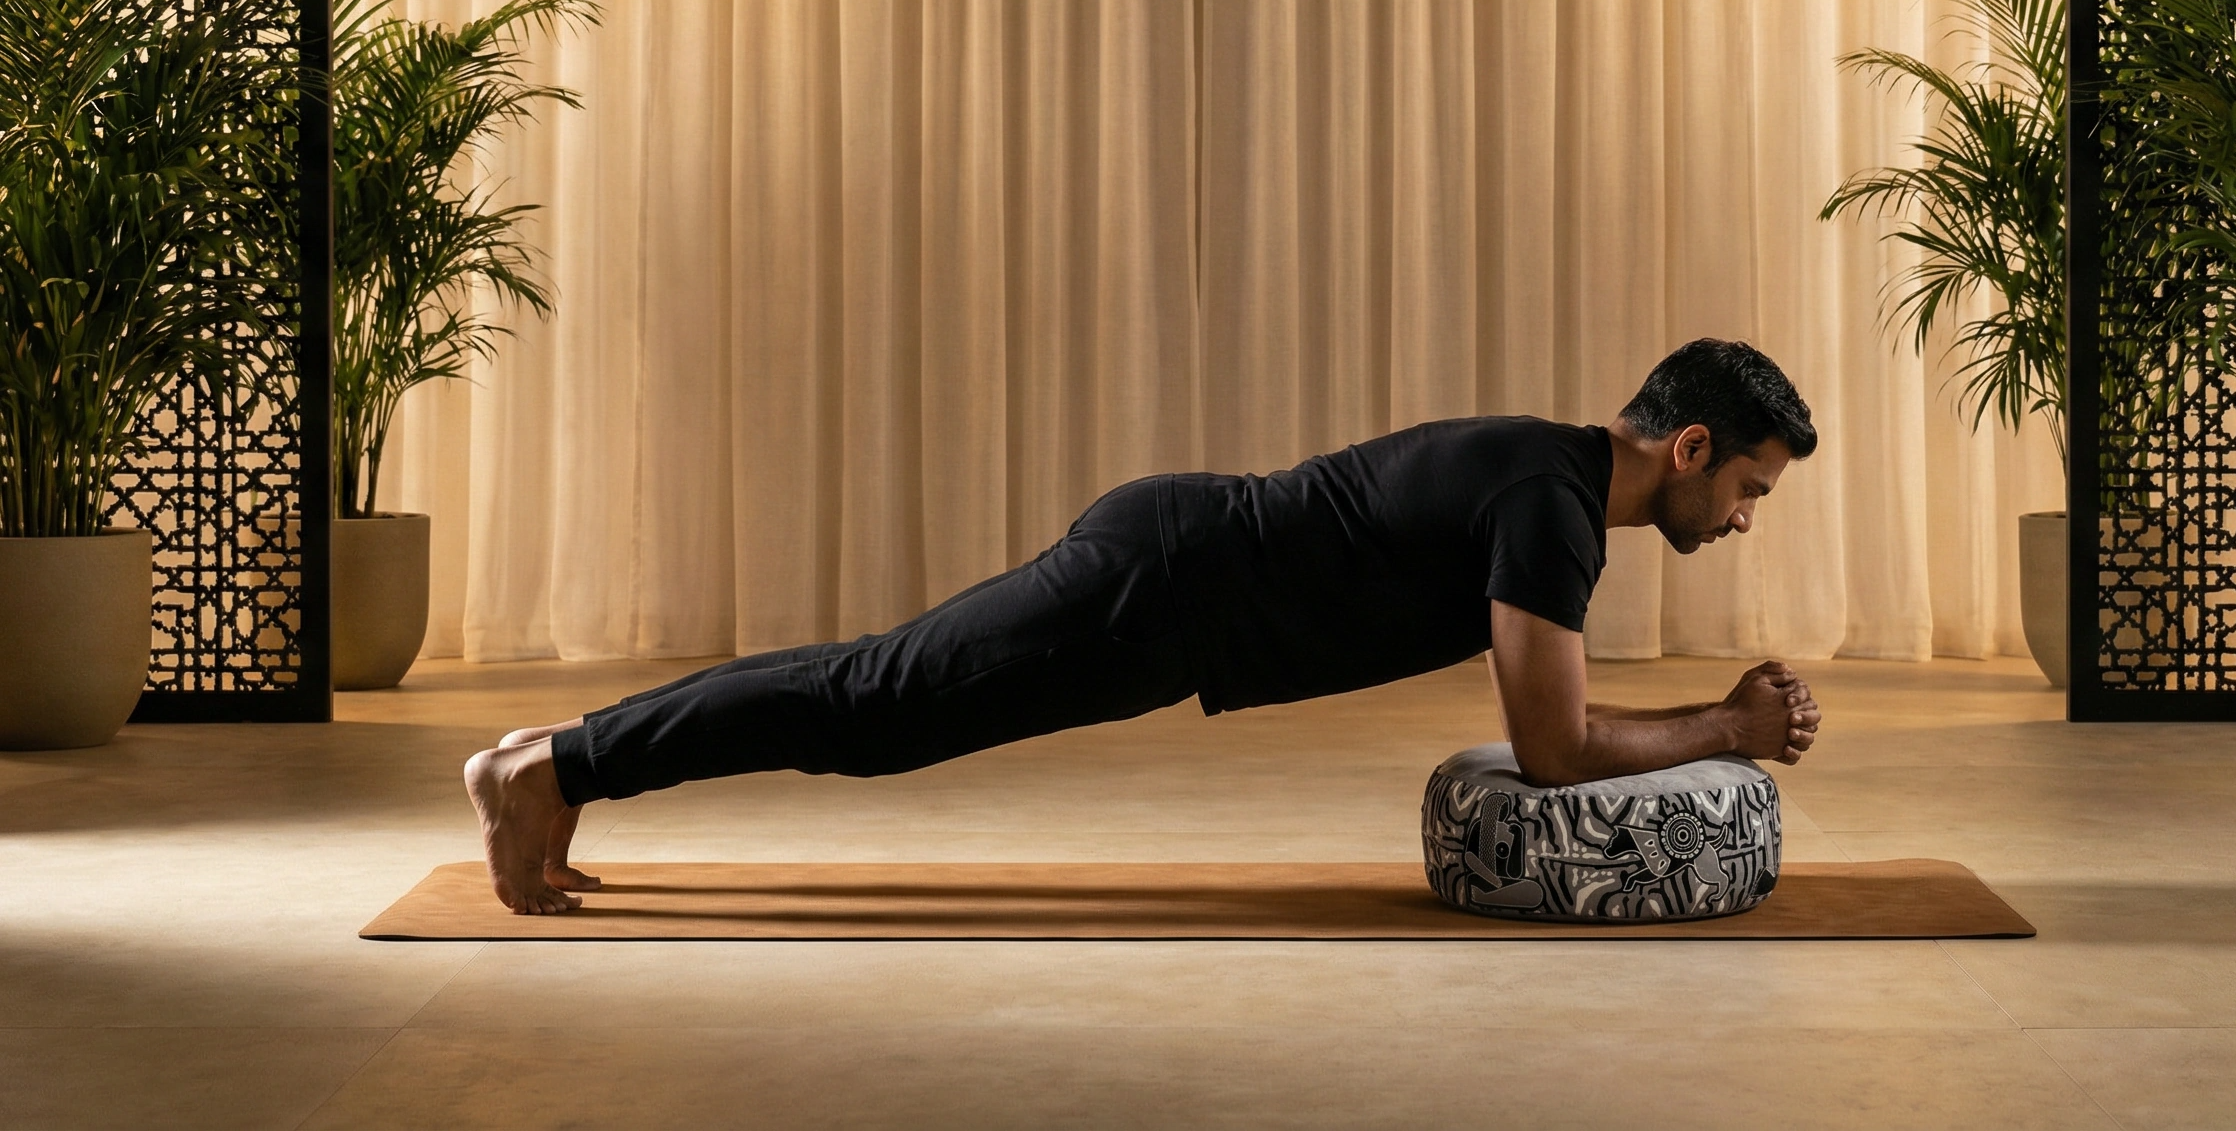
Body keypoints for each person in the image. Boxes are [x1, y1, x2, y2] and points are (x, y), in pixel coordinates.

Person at [466, 337, 1825, 913]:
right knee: (873, 708)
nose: (1748, 517)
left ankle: (559, 757)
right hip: (1160, 586)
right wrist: (1732, 726)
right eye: (1752, 489)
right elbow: (1554, 751)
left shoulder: (1557, 480)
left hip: (1173, 588)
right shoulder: (1555, 505)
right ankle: (555, 766)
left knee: (874, 704)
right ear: (1693, 446)